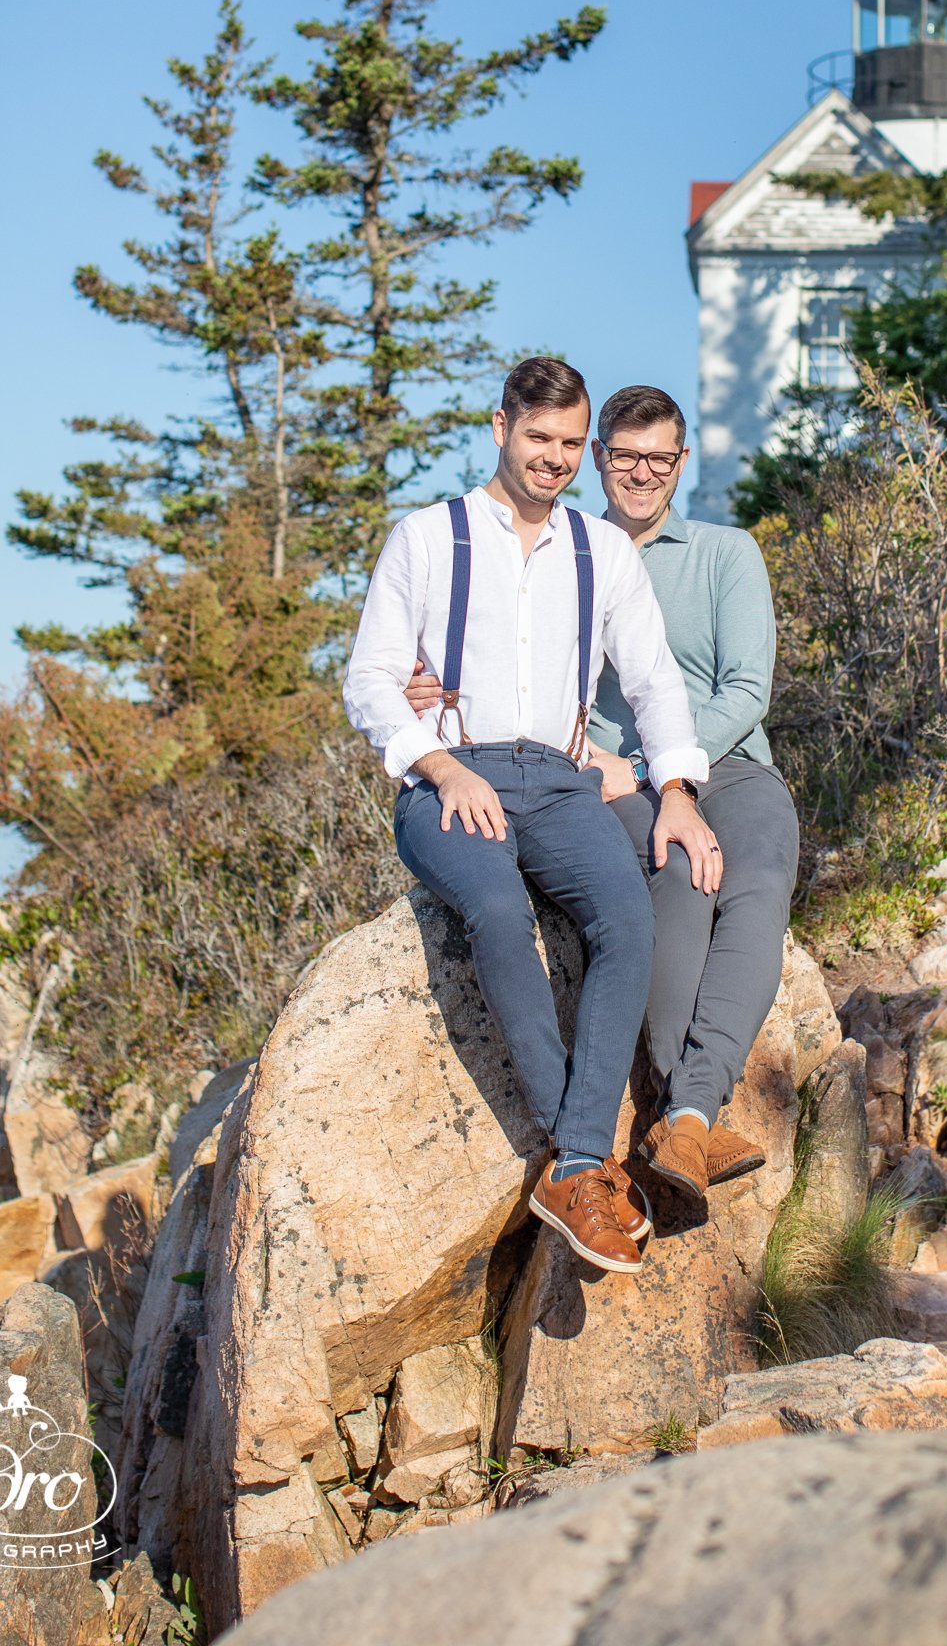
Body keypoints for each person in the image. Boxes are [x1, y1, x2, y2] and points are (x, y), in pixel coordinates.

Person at [342, 355, 721, 1276]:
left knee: (627, 920)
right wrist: (438, 765)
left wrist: (676, 789)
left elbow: (655, 682)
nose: (552, 459)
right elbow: (369, 678)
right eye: (536, 438)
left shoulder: (603, 552)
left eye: (565, 444)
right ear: (502, 427)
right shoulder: (428, 539)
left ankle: (572, 1164)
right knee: (499, 913)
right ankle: (583, 1158)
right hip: (449, 778)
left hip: (559, 782)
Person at [409, 380, 799, 1211]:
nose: (642, 473)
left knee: (757, 885)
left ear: (682, 461)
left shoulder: (726, 553)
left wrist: (673, 772)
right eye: (624, 455)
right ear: (598, 458)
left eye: (660, 458)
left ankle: (693, 1115)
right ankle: (669, 1097)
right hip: (605, 772)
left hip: (727, 764)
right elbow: (497, 656)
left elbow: (746, 688)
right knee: (679, 887)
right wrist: (429, 687)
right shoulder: (566, 548)